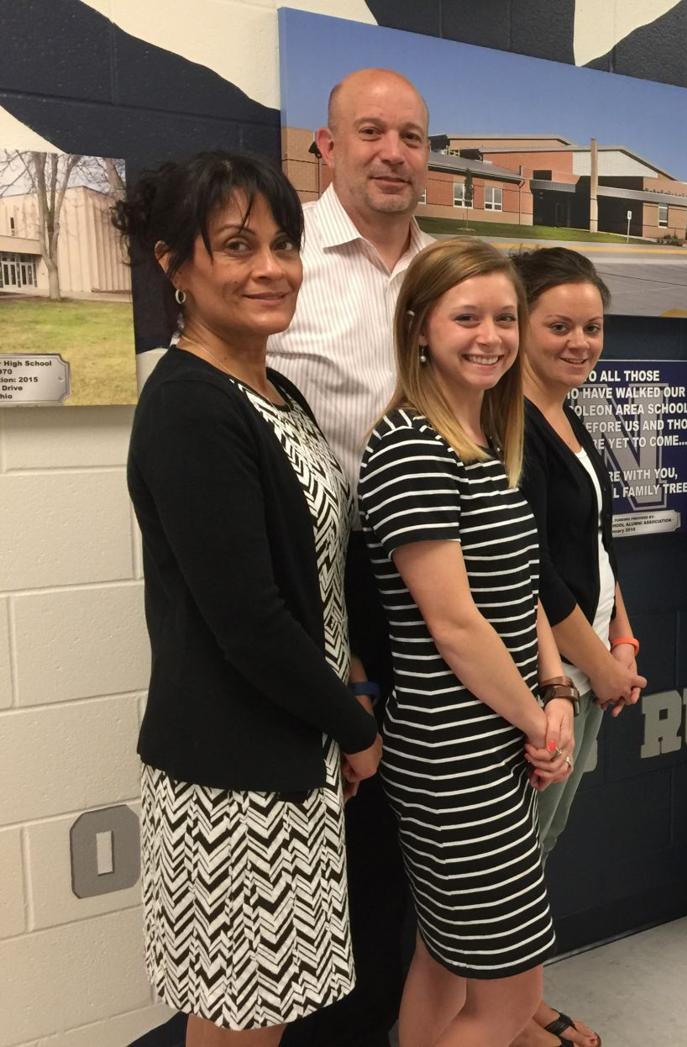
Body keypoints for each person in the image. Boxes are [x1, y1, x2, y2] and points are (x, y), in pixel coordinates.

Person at [120, 150, 383, 1044]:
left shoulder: (275, 388)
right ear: (173, 263)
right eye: (236, 245)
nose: (270, 267)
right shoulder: (190, 405)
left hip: (289, 745)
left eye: (283, 243)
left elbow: (314, 570)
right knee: (241, 1016)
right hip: (233, 770)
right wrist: (354, 724)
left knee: (258, 1009)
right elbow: (249, 621)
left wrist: (344, 680)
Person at [357, 239, 577, 1047]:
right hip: (455, 755)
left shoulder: (484, 446)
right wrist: (533, 720)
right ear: (419, 328)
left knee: (447, 963)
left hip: (499, 737)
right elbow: (454, 625)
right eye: (466, 316)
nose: (490, 335)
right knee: (511, 1000)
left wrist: (553, 697)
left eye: (505, 317)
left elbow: (519, 592)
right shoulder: (413, 449)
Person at [268, 67, 433, 1046]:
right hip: (331, 584)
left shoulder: (450, 271)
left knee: (434, 818)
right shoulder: (285, 266)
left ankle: (417, 1019)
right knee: (346, 822)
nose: (391, 153)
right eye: (369, 132)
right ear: (325, 148)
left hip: (441, 580)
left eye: (410, 137)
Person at [513, 247, 646, 1047]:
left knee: (545, 844)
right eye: (558, 325)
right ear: (520, 324)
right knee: (515, 856)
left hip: (595, 662)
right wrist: (592, 667)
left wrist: (622, 632)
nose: (579, 341)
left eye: (592, 326)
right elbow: (529, 571)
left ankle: (519, 997)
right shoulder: (511, 426)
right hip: (545, 678)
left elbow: (596, 545)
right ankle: (508, 1011)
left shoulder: (571, 412)